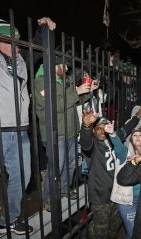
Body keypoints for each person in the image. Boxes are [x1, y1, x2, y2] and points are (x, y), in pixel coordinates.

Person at [0, 16, 34, 235]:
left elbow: (39, 51)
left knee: (23, 176)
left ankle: (9, 220)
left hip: (20, 130)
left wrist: (44, 31)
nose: (17, 44)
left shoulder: (19, 61)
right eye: (11, 39)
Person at [35, 55, 98, 209]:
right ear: (56, 65)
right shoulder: (42, 81)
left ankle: (64, 190)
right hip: (55, 132)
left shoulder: (65, 80)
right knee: (57, 166)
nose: (68, 69)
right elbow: (54, 105)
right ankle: (48, 199)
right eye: (65, 65)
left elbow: (75, 100)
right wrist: (77, 91)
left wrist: (89, 91)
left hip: (70, 130)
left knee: (71, 163)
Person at [80, 112, 129, 239]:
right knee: (100, 228)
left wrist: (140, 114)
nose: (101, 131)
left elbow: (125, 129)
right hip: (100, 195)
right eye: (98, 128)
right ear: (94, 131)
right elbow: (85, 142)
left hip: (115, 192)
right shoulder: (92, 145)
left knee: (115, 221)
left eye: (104, 128)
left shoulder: (111, 141)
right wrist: (86, 126)